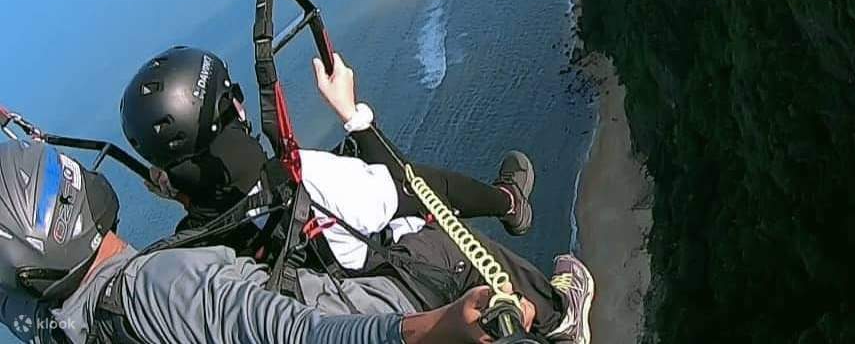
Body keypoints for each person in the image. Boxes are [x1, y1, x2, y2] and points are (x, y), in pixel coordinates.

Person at [119, 46, 594, 344]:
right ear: (234, 112)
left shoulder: (188, 254)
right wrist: (352, 115)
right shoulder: (304, 178)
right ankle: (558, 314)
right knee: (440, 239)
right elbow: (416, 189)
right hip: (402, 306)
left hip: (319, 317)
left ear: (167, 176)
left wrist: (181, 192)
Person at [0, 140, 534, 344]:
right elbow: (303, 335)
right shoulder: (157, 286)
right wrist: (438, 327)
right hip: (381, 309)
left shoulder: (56, 326)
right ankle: (560, 310)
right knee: (433, 242)